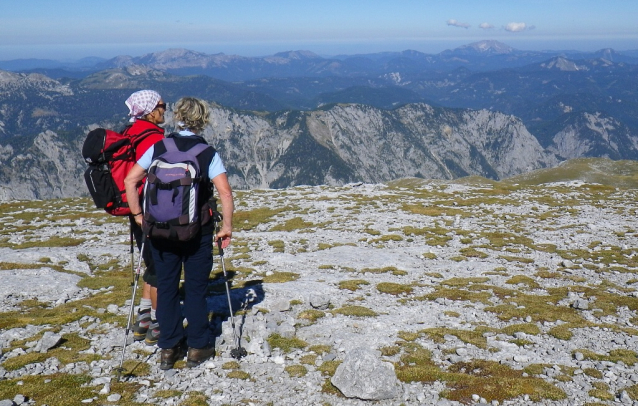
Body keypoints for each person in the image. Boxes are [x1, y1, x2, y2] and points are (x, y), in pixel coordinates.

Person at [124, 97, 234, 370]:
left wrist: (139, 216)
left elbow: (130, 180)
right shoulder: (207, 153)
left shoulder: (158, 146)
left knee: (168, 286)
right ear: (203, 120)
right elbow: (225, 192)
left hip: (159, 231)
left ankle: (169, 348)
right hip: (197, 232)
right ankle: (198, 346)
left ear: (177, 117)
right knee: (196, 289)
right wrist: (227, 227)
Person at [123, 90, 166, 346]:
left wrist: (135, 211)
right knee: (160, 266)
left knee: (150, 263)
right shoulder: (154, 137)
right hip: (152, 209)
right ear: (150, 109)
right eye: (162, 105)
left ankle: (144, 317)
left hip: (134, 207)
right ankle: (160, 323)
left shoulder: (130, 132)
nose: (164, 110)